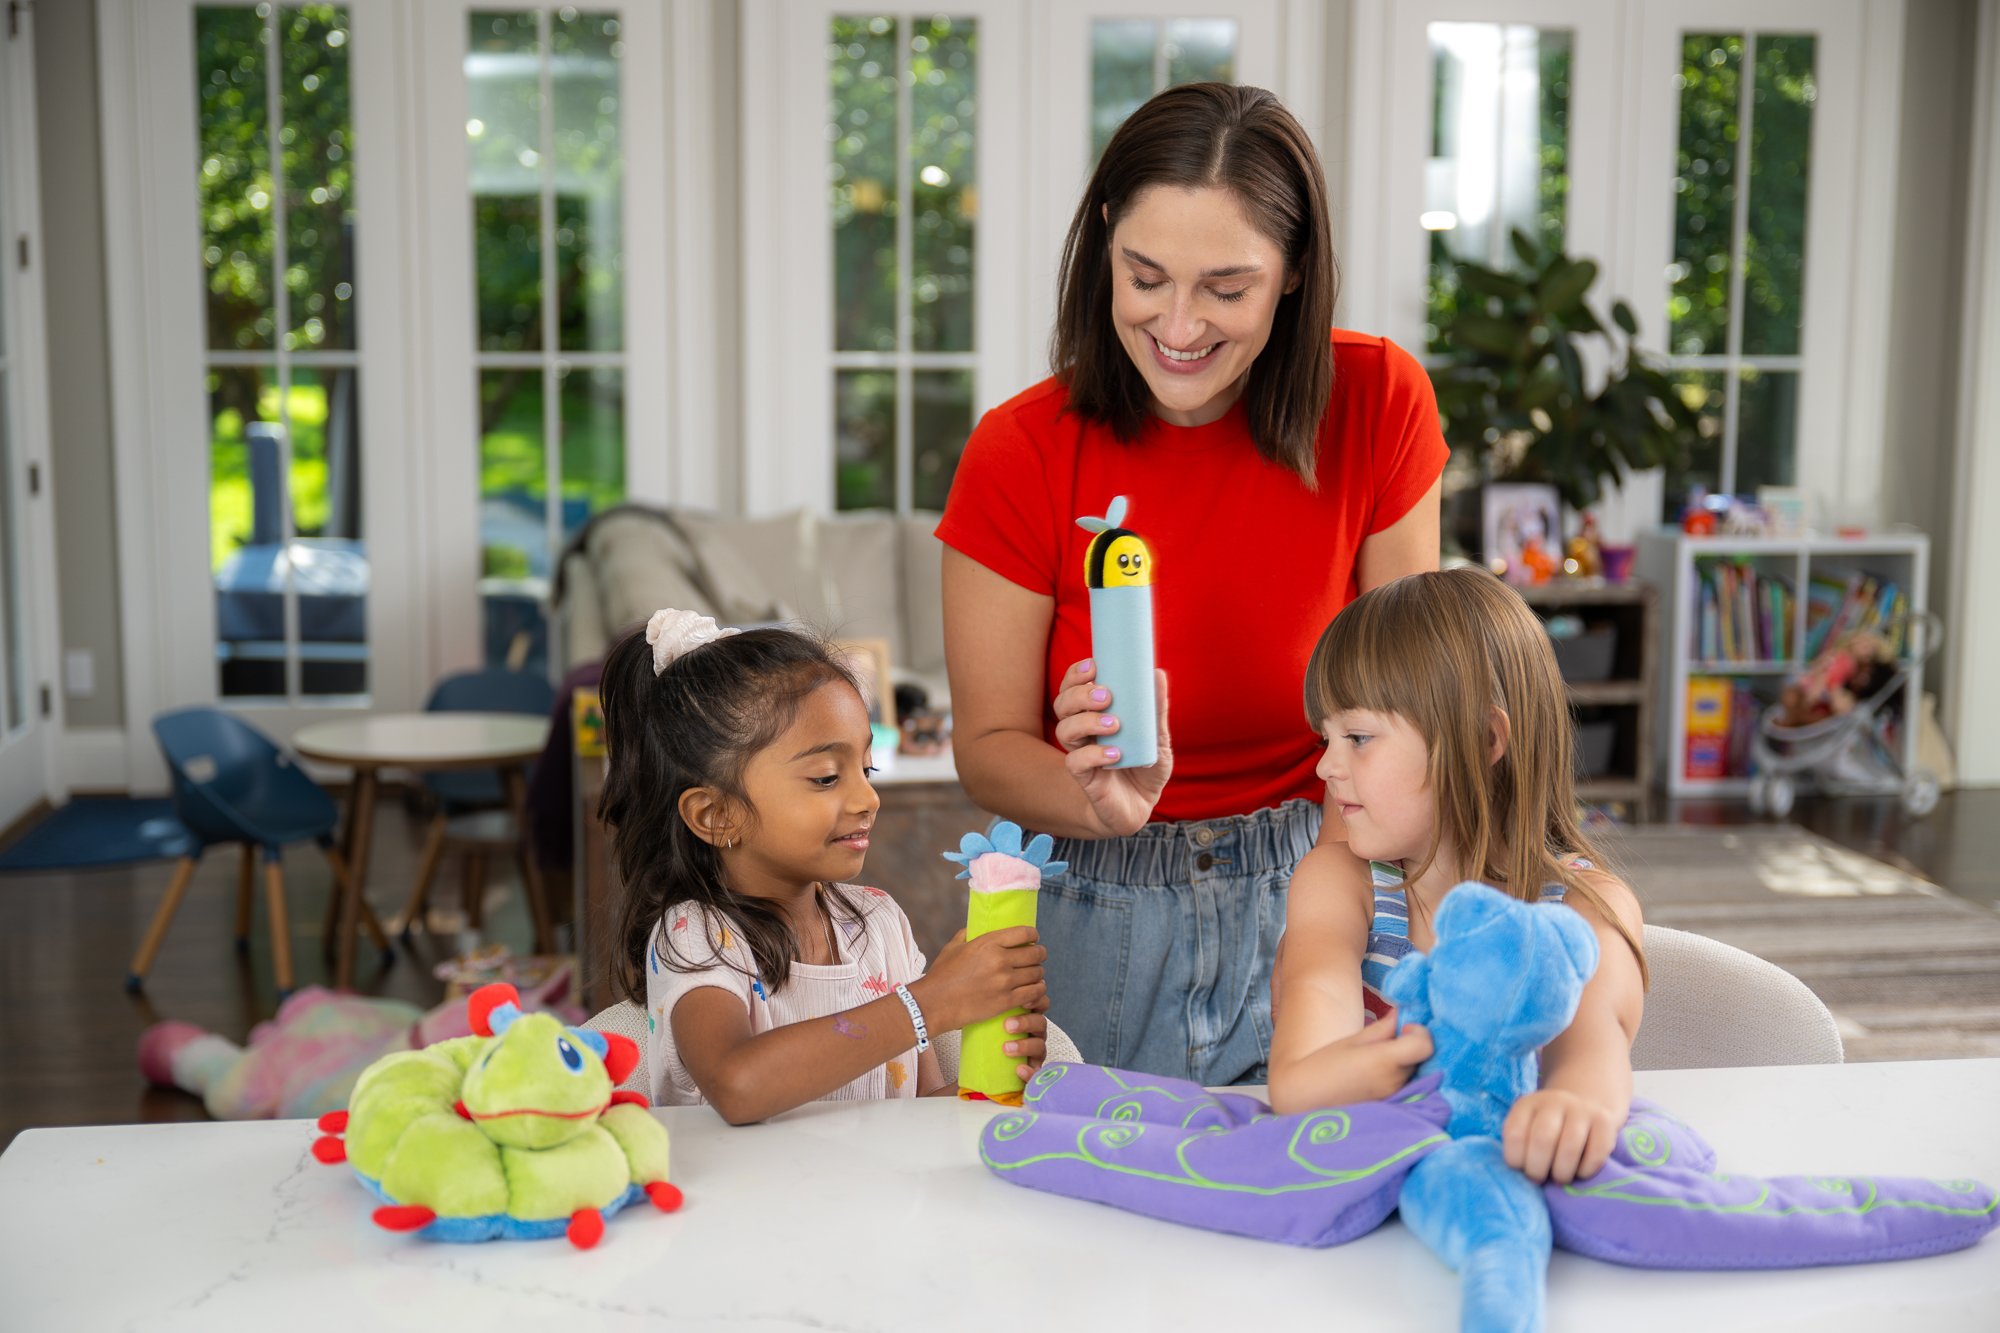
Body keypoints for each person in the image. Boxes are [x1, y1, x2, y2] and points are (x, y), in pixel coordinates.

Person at [936, 82, 1447, 1084]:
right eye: (1144, 277)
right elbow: (987, 748)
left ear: (1294, 272)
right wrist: (1095, 800)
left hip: (1324, 884)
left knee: (1326, 1208)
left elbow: (1411, 701)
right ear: (1102, 251)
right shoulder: (1018, 450)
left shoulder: (1378, 402)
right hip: (1097, 902)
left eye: (1225, 287)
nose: (1177, 324)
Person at [1267, 568, 1647, 1185]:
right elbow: (1298, 1079)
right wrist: (1419, 1057)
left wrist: (1571, 1110)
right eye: (1325, 738)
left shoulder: (1587, 907)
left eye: (1358, 737)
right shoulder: (1341, 883)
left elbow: (1590, 1062)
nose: (1327, 766)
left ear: (1484, 737)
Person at [597, 608, 1050, 1123]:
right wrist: (930, 1004)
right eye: (826, 778)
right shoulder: (696, 935)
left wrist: (989, 1081)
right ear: (716, 814)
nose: (869, 798)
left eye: (866, 767)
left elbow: (920, 1114)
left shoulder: (880, 924)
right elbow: (737, 1084)